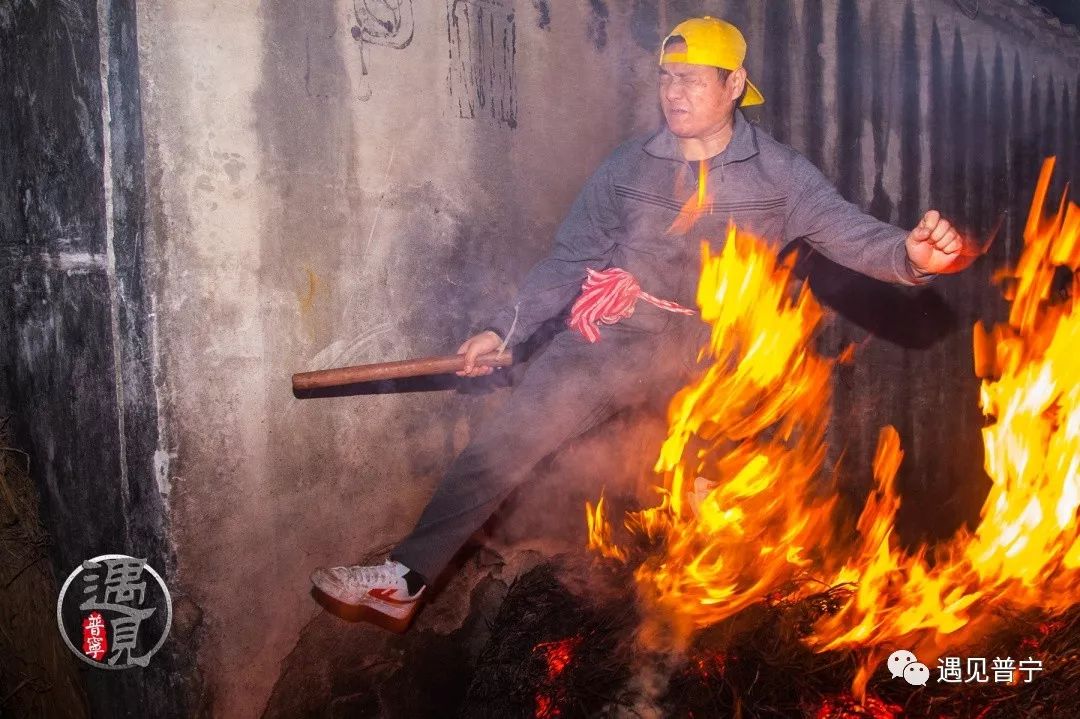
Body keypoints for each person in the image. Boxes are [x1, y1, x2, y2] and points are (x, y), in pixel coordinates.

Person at [310, 16, 969, 624]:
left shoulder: (779, 176)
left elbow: (847, 231)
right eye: (665, 77)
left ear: (734, 84)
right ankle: (404, 578)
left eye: (690, 79)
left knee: (718, 498)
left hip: (719, 354)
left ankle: (736, 619)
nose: (673, 92)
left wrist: (908, 256)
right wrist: (501, 329)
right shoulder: (628, 166)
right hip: (620, 332)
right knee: (509, 438)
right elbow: (569, 258)